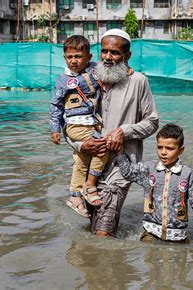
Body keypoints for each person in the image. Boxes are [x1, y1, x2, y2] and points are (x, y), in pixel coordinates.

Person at [68, 29, 159, 237]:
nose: (108, 57)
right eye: (104, 51)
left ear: (127, 56)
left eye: (115, 53)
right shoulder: (88, 79)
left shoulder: (138, 81)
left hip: (120, 165)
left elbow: (152, 122)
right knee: (92, 226)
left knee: (103, 233)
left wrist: (124, 131)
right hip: (87, 162)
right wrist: (80, 145)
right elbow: (70, 119)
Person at [115, 124, 193, 247]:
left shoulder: (187, 174)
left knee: (180, 263)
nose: (163, 152)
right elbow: (128, 172)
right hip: (150, 234)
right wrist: (120, 153)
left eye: (169, 148)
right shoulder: (149, 169)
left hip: (178, 237)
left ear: (180, 150)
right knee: (151, 261)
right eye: (160, 147)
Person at [49, 35, 108, 218]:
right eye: (69, 57)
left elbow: (111, 67)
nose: (74, 61)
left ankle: (74, 197)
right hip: (76, 125)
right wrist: (55, 129)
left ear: (88, 57)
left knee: (81, 161)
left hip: (93, 123)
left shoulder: (95, 70)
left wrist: (127, 70)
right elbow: (55, 105)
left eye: (78, 56)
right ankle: (90, 186)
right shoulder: (63, 80)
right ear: (65, 58)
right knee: (103, 148)